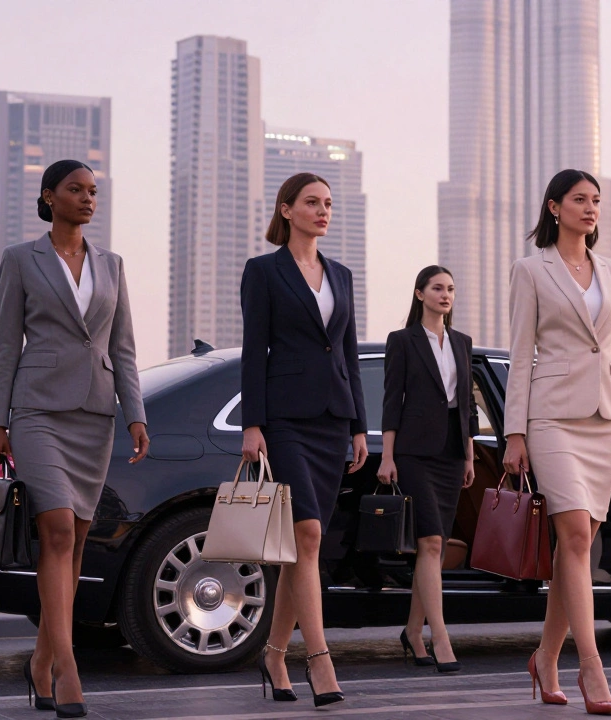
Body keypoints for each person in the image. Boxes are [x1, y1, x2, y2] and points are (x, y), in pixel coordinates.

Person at [0, 159, 149, 718]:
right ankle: (68, 664)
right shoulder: (20, 260)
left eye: (93, 191)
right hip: (37, 411)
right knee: (55, 529)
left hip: (94, 416)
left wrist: (136, 415)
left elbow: (122, 347)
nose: (87, 199)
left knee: (76, 543)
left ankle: (41, 660)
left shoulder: (113, 264)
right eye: (76, 190)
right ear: (49, 196)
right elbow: (7, 344)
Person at [503, 169, 611, 715]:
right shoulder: (530, 269)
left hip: (603, 420)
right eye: (580, 200)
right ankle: (592, 666)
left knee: (576, 546)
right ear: (554, 207)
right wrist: (515, 432)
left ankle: (545, 656)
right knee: (576, 538)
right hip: (552, 418)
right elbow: (520, 356)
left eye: (597, 201)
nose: (591, 209)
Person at [241, 173, 369, 706]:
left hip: (332, 420)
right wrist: (253, 423)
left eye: (328, 204)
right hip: (286, 420)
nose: (323, 211)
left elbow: (348, 353)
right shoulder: (263, 271)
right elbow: (254, 350)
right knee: (309, 534)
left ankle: (273, 655)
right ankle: (319, 660)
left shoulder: (340, 274)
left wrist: (360, 423)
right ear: (286, 209)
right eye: (312, 203)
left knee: (301, 546)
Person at [377, 265, 475, 674]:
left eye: (451, 289)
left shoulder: (463, 342)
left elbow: (467, 404)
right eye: (438, 288)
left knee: (431, 549)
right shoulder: (402, 341)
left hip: (452, 454)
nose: (445, 295)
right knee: (432, 541)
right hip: (414, 454)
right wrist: (388, 455)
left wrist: (469, 455)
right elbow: (390, 400)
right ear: (420, 294)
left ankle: (414, 631)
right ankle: (441, 638)